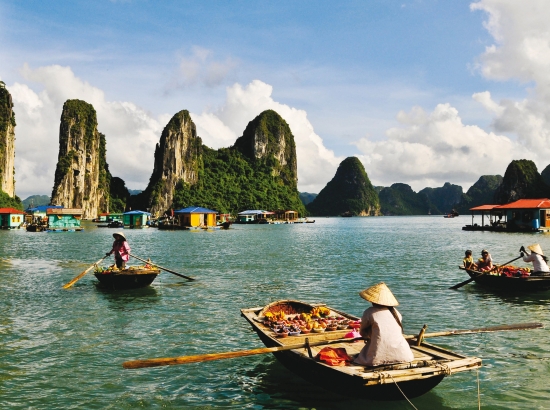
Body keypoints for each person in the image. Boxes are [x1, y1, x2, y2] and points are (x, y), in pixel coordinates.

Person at [353, 282, 414, 367]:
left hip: (377, 357)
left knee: (360, 357)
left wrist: (367, 335)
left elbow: (362, 332)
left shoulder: (370, 312)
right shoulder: (396, 312)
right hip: (404, 355)